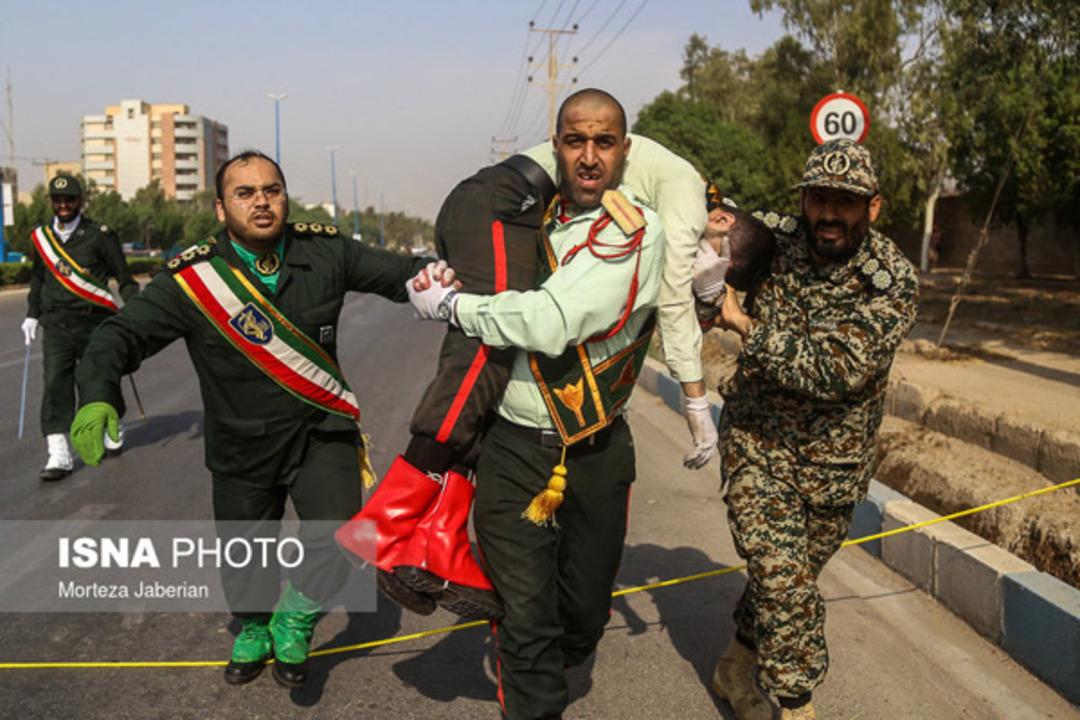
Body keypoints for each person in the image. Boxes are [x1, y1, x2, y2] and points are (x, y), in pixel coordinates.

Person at [66, 151, 436, 689]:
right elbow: (120, 335)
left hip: (319, 431)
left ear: (285, 198)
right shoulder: (193, 278)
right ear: (221, 208)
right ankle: (256, 626)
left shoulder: (325, 251)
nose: (261, 201)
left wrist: (458, 279)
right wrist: (98, 394)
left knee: (342, 533)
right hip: (240, 442)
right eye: (245, 193)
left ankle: (297, 615)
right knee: (246, 557)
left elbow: (407, 275)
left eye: (272, 190)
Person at [336, 124, 712, 622]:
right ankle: (384, 521)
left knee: (497, 373)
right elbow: (675, 297)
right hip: (498, 204)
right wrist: (695, 398)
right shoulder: (685, 194)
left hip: (499, 209)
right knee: (480, 357)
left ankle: (441, 536)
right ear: (719, 216)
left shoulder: (654, 183)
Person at [408, 88, 665, 720]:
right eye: (575, 141)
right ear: (556, 148)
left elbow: (551, 321)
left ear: (624, 152)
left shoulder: (633, 230)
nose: (589, 157)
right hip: (513, 450)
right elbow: (483, 269)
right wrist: (446, 279)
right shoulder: (524, 223)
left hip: (595, 455)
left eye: (604, 142)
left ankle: (551, 653)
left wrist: (455, 307)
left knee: (581, 617)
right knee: (526, 617)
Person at [709, 139, 918, 720]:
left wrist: (743, 324)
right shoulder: (775, 239)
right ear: (802, 200)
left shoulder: (891, 282)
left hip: (835, 465)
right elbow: (708, 226)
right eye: (818, 199)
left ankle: (733, 666)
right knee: (783, 580)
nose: (828, 214)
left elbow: (836, 370)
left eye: (844, 202)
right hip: (757, 442)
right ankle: (798, 705)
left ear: (872, 207)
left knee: (785, 582)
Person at [22, 174, 138, 481]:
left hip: (94, 322)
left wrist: (136, 311)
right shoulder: (42, 237)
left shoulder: (100, 235)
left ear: (80, 201)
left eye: (69, 199)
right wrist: (32, 314)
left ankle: (110, 421)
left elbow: (124, 278)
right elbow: (39, 278)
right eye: (57, 199)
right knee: (55, 385)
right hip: (57, 323)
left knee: (97, 380)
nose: (63, 205)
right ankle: (58, 454)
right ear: (51, 201)